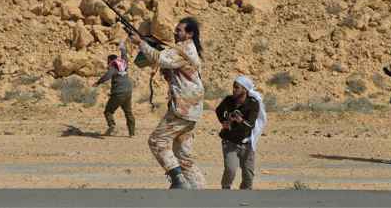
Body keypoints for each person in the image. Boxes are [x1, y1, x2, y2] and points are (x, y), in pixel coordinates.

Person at [129, 17, 205, 190]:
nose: (175, 32)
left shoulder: (183, 48)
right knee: (183, 156)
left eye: (179, 30)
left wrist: (140, 43)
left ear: (189, 33)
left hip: (183, 109)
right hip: (193, 110)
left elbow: (159, 58)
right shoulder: (189, 49)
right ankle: (199, 191)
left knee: (157, 141)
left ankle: (178, 180)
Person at [215, 76, 267, 190]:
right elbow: (218, 110)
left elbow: (250, 125)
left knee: (248, 175)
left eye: (236, 87)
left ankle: (244, 196)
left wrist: (240, 120)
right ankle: (225, 189)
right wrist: (224, 121)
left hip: (247, 143)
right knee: (230, 170)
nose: (233, 89)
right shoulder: (228, 100)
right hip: (230, 142)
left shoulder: (253, 103)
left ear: (244, 89)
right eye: (233, 87)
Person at [93, 40, 135, 137]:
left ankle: (112, 125)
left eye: (108, 61)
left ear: (110, 60)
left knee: (108, 111)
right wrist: (122, 46)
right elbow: (124, 54)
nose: (107, 63)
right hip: (128, 91)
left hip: (118, 93)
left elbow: (107, 75)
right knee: (128, 112)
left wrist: (98, 82)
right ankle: (132, 133)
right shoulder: (124, 64)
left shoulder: (114, 66)